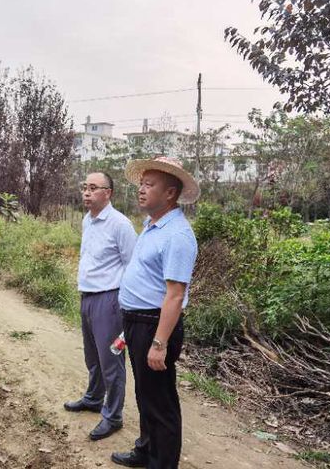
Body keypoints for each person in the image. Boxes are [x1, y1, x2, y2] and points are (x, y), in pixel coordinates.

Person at [110, 157, 199, 469]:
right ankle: (145, 450)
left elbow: (175, 295)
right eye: (141, 184)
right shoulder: (152, 226)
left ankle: (162, 463)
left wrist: (159, 343)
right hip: (138, 321)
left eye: (150, 185)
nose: (141, 190)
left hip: (155, 325)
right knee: (145, 394)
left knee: (160, 402)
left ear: (171, 193)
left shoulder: (177, 234)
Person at [64, 172, 137, 441]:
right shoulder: (87, 220)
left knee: (111, 361)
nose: (86, 192)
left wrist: (124, 304)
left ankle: (113, 416)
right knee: (92, 356)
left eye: (93, 188)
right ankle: (94, 398)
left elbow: (132, 266)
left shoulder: (120, 225)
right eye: (84, 187)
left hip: (110, 300)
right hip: (88, 296)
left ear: (108, 193)